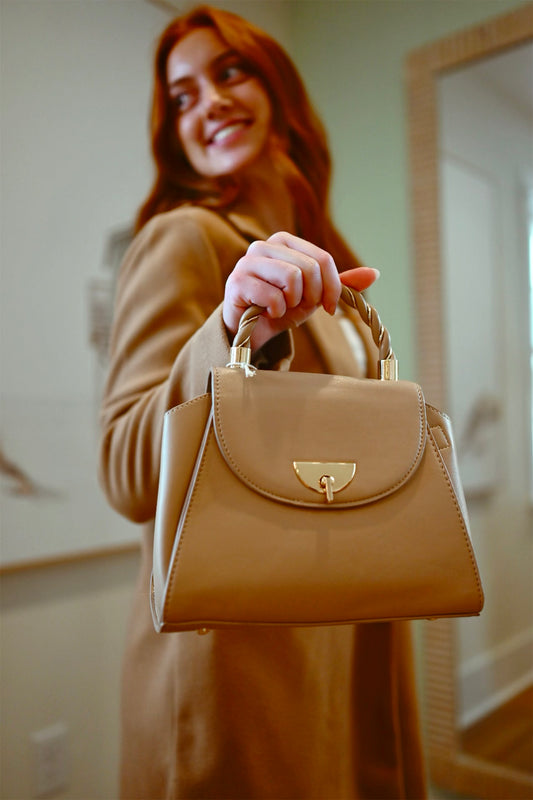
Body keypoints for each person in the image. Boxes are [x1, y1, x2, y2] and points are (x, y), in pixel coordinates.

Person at [98, 6, 427, 798]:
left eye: (228, 72)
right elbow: (125, 469)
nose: (205, 102)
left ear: (276, 88)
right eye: (180, 97)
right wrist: (228, 327)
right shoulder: (188, 239)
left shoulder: (331, 267)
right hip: (238, 667)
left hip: (345, 636)